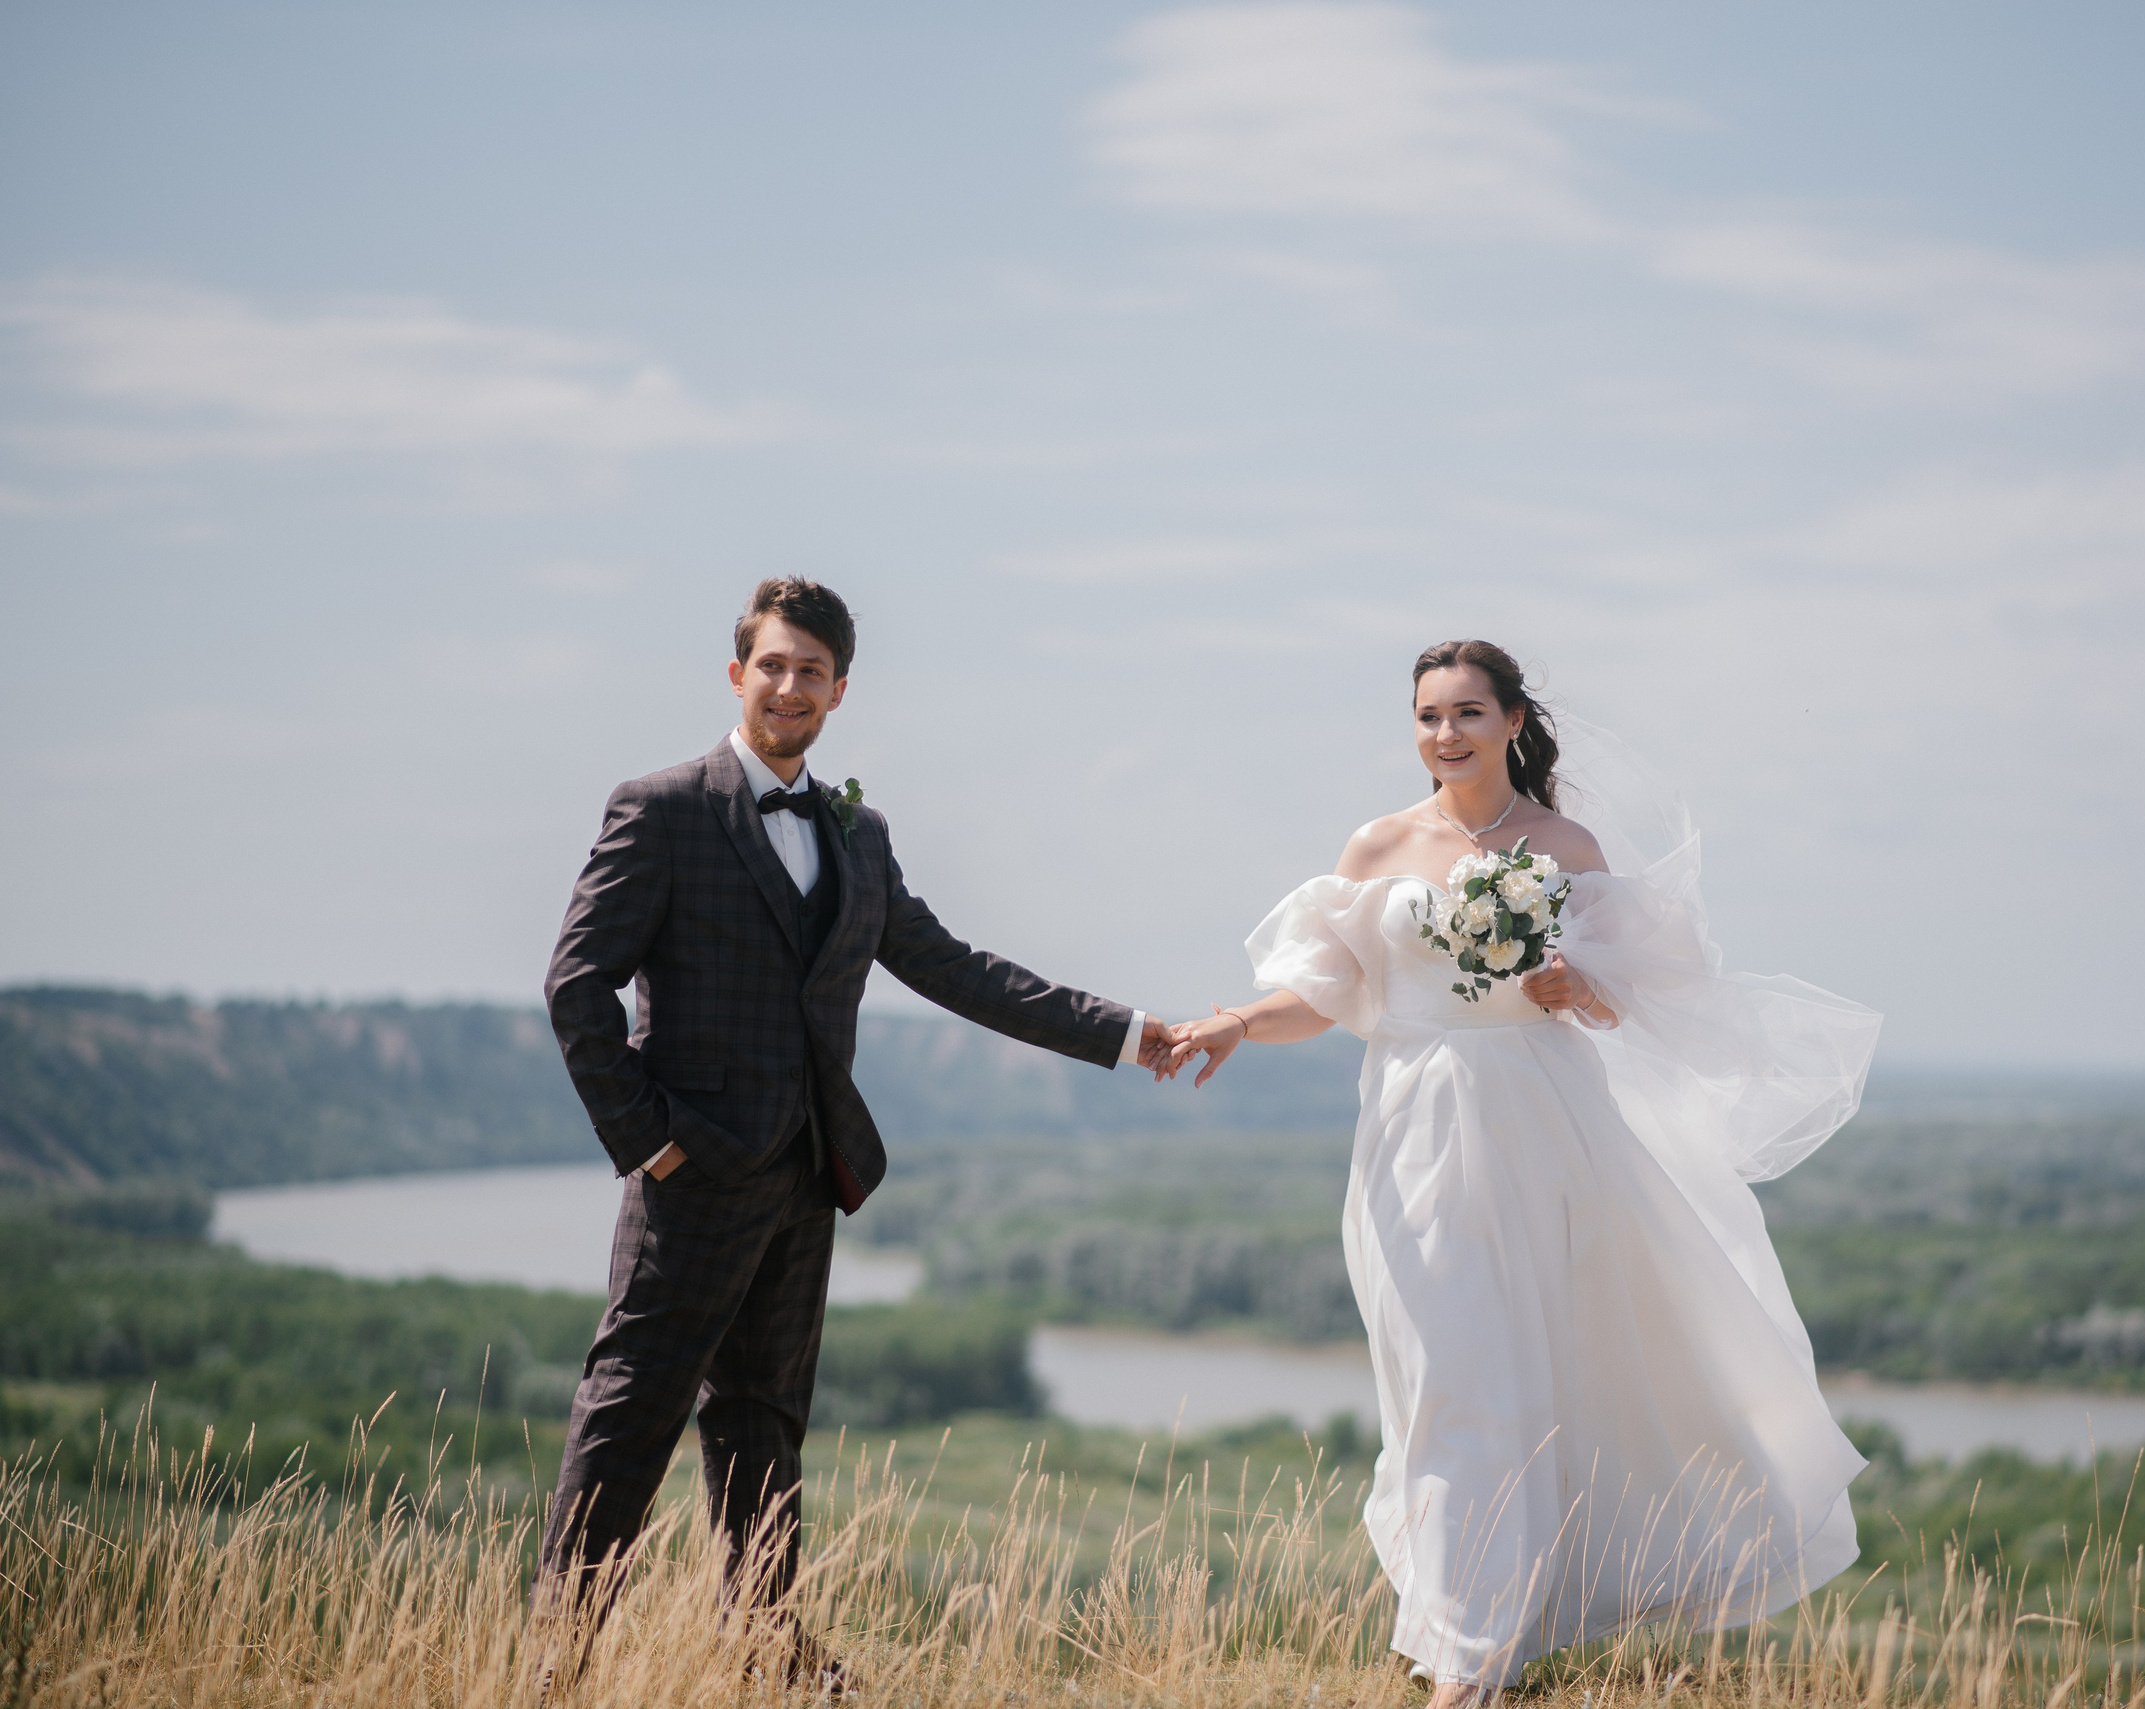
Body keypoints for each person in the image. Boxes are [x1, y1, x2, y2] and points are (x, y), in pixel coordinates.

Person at [1164, 639, 1880, 1703]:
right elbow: (1324, 992)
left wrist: (1573, 984)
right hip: (1413, 1131)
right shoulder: (1377, 844)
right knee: (1444, 1376)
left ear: (1510, 720)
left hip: (1544, 1129)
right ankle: (1470, 1635)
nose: (1444, 733)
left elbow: (1629, 992)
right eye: (1427, 715)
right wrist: (1233, 1021)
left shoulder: (1563, 845)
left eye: (1466, 711)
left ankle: (1471, 1663)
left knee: (1525, 1379)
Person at [537, 578, 1172, 1682]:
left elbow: (953, 967)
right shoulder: (662, 807)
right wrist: (646, 1137)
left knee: (764, 1421)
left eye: (813, 671)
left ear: (840, 690)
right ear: (737, 674)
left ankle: (768, 1648)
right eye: (773, 665)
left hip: (804, 1172)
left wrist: (1121, 1032)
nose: (790, 686)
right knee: (629, 1414)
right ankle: (555, 1661)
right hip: (689, 1175)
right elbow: (575, 982)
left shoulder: (857, 832)